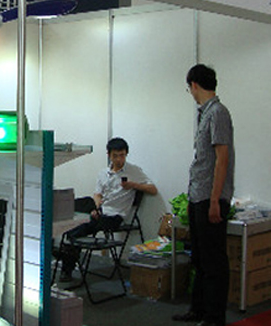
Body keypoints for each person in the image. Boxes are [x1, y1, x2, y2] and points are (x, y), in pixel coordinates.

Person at [173, 64, 234, 326]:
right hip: (198, 195)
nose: (190, 93)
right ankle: (197, 309)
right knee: (198, 258)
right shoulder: (205, 114)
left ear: (194, 85)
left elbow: (222, 159)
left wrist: (215, 200)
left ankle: (214, 317)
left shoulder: (218, 113)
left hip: (211, 197)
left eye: (189, 88)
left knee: (213, 261)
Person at [58, 137, 157, 282]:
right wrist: (96, 208)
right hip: (101, 211)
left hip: (115, 216)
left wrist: (133, 185)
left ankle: (65, 264)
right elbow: (97, 195)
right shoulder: (103, 173)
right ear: (109, 155)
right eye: (115, 156)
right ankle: (65, 260)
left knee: (78, 230)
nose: (119, 159)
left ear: (126, 154)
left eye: (122, 155)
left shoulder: (133, 170)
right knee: (75, 221)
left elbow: (153, 189)